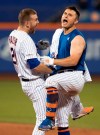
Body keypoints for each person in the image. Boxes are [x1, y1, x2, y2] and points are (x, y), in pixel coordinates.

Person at [39, 6, 94, 134]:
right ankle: (77, 109)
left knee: (50, 82)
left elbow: (73, 61)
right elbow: (53, 57)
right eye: (65, 13)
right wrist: (44, 57)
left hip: (75, 77)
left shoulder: (77, 38)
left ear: (76, 21)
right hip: (63, 79)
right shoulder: (59, 34)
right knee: (62, 121)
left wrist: (52, 61)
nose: (66, 16)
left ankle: (49, 119)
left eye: (70, 15)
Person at [8, 8, 53, 135]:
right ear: (27, 23)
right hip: (35, 83)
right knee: (42, 120)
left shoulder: (13, 34)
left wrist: (35, 46)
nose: (38, 22)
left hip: (27, 81)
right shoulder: (26, 40)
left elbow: (21, 48)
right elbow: (35, 65)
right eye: (35, 20)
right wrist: (52, 70)